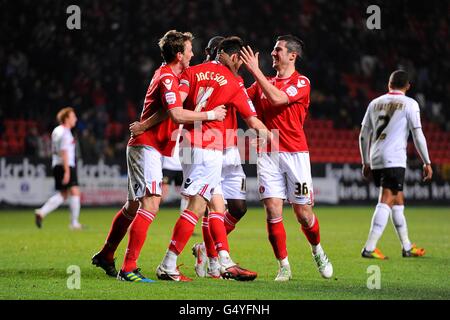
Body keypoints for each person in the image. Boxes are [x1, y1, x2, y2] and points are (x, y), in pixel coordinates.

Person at [91, 30, 226, 282]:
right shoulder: (166, 77)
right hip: (146, 147)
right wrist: (211, 115)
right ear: (179, 54)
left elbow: (167, 110)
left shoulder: (174, 76)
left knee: (133, 206)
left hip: (148, 144)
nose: (192, 54)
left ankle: (107, 254)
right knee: (151, 202)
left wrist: (143, 124)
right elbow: (175, 113)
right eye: (189, 50)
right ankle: (129, 268)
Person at [154, 36, 271, 281]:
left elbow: (178, 104)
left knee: (217, 206)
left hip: (187, 145)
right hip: (208, 148)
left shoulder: (192, 72)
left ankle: (222, 262)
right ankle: (169, 262)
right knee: (197, 206)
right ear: (234, 57)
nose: (239, 66)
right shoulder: (234, 82)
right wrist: (270, 136)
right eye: (239, 61)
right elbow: (251, 120)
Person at [239, 35, 333, 281]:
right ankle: (284, 265)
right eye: (273, 49)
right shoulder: (262, 83)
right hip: (268, 154)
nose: (273, 53)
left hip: (295, 154)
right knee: (272, 209)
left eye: (277, 49)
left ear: (292, 55)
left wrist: (255, 72)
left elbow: (278, 99)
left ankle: (317, 249)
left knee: (303, 213)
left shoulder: (301, 82)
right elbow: (240, 100)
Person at [192, 36, 251, 278]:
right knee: (213, 206)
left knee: (238, 207)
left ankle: (204, 249)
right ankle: (216, 260)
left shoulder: (234, 80)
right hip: (208, 146)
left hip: (231, 149)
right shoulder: (199, 75)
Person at [359, 70, 432, 259]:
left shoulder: (375, 103)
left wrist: (365, 161)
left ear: (389, 84)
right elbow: (417, 135)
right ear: (408, 86)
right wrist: (427, 162)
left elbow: (363, 135)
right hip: (394, 158)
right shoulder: (410, 104)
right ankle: (369, 247)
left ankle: (406, 246)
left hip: (376, 157)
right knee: (387, 198)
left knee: (398, 200)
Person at [34, 107, 82, 230]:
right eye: (73, 116)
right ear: (66, 118)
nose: (75, 119)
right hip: (65, 165)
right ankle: (74, 223)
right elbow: (64, 152)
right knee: (75, 192)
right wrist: (67, 171)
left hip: (56, 164)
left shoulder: (56, 130)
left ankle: (42, 212)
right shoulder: (65, 132)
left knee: (64, 194)